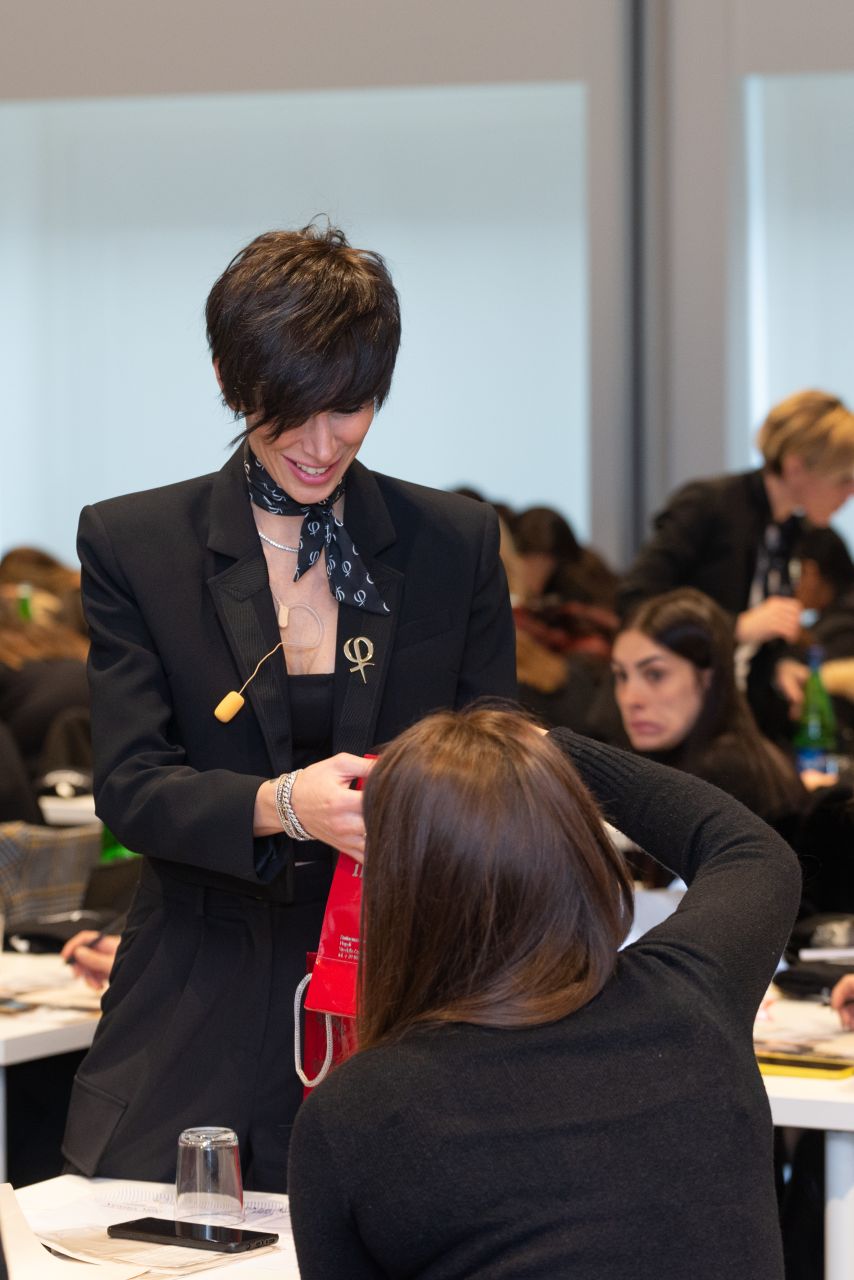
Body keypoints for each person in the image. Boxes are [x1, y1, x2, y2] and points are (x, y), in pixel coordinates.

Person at [61, 224, 516, 1191]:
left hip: (403, 991)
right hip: (197, 1000)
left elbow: (497, 761)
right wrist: (284, 805)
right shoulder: (137, 543)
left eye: (349, 408)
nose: (320, 445)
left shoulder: (453, 543)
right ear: (233, 383)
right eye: (289, 411)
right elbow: (132, 788)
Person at [287, 706, 801, 1280]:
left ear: (396, 889)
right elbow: (749, 848)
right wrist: (553, 752)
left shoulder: (359, 1114)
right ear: (581, 851)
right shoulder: (692, 996)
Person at [618, 390, 854, 733]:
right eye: (843, 480)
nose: (850, 493)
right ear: (796, 467)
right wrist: (737, 628)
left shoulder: (792, 530)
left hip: (732, 718)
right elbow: (634, 601)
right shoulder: (709, 504)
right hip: (663, 721)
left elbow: (763, 638)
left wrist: (783, 664)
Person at [611, 588, 803, 824]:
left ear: (708, 677)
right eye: (621, 675)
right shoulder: (681, 758)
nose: (630, 698)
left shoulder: (727, 772)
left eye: (655, 674)